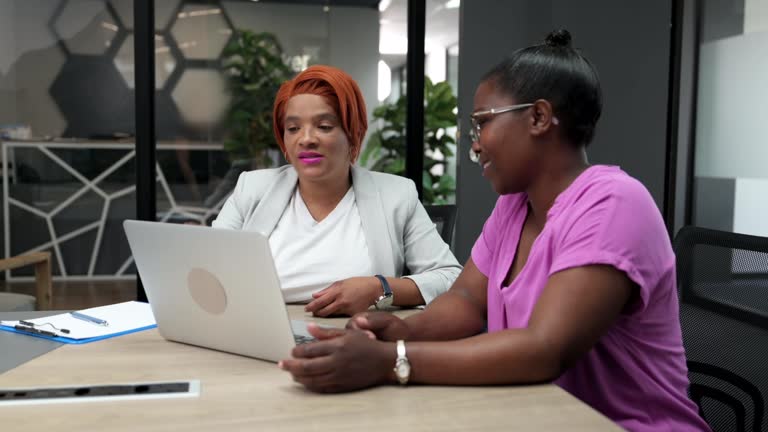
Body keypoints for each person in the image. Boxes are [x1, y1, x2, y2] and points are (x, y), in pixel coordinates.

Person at [279, 31, 711, 432]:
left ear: (539, 117)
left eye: (483, 122)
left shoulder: (614, 204)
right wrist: (403, 331)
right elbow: (468, 301)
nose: (476, 143)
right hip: (534, 415)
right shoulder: (514, 205)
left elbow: (545, 349)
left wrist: (390, 360)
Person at [212, 65, 461, 317]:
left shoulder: (396, 195)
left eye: (324, 126)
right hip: (259, 330)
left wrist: (379, 288)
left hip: (357, 338)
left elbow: (450, 278)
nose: (306, 138)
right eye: (293, 128)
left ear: (352, 135)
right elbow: (207, 269)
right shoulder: (252, 189)